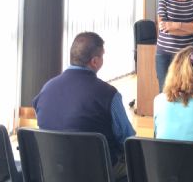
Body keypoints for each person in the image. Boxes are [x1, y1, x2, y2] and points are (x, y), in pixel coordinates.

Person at [33, 32, 135, 182]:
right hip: (99, 172)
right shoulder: (108, 94)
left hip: (54, 169)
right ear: (95, 61)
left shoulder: (46, 89)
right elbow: (128, 140)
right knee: (140, 164)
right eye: (102, 56)